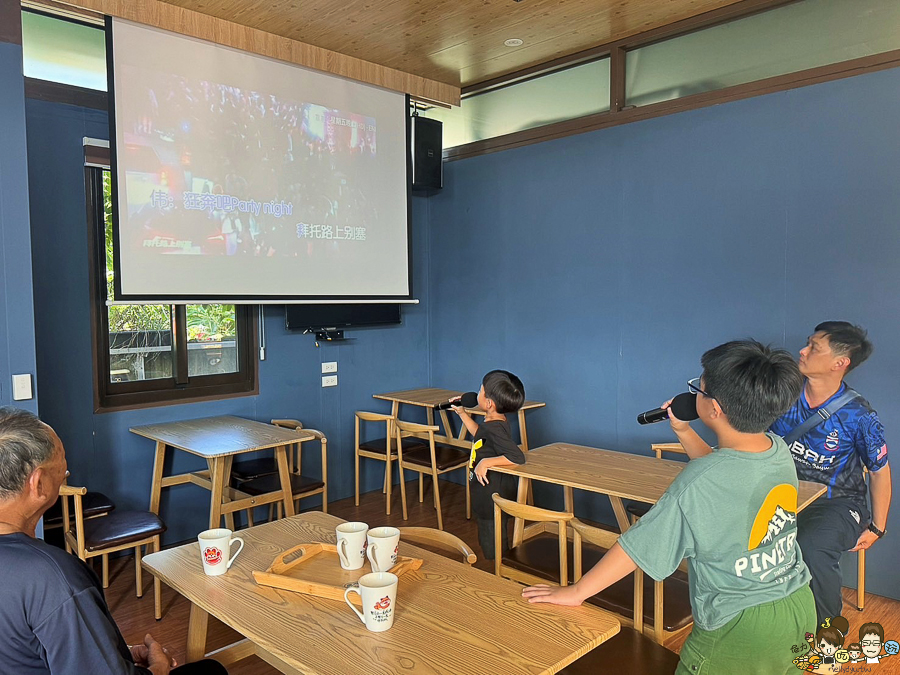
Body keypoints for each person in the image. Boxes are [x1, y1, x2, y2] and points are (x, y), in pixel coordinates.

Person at [523, 341, 816, 675]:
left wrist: (576, 592)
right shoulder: (775, 449)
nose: (694, 395)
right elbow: (726, 473)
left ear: (715, 410)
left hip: (740, 624)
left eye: (699, 390)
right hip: (797, 601)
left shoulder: (696, 484)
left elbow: (638, 548)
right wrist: (683, 430)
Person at [0, 407, 227, 675]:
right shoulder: (53, 579)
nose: (66, 472)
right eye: (62, 461)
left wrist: (117, 654)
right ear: (38, 483)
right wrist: (158, 668)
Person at [769, 322, 890, 623]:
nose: (802, 350)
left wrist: (877, 528)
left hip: (838, 504)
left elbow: (878, 472)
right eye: (807, 343)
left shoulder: (859, 415)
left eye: (814, 347)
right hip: (781, 495)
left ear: (840, 363)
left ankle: (828, 639)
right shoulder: (782, 394)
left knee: (811, 546)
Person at [451, 370, 525, 560]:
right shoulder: (495, 422)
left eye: (480, 390)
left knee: (492, 542)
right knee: (491, 537)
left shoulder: (495, 428)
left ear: (489, 403)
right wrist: (462, 413)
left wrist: (486, 461)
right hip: (486, 491)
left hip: (491, 493)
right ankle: (501, 567)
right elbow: (481, 436)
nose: (477, 393)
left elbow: (517, 457)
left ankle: (501, 572)